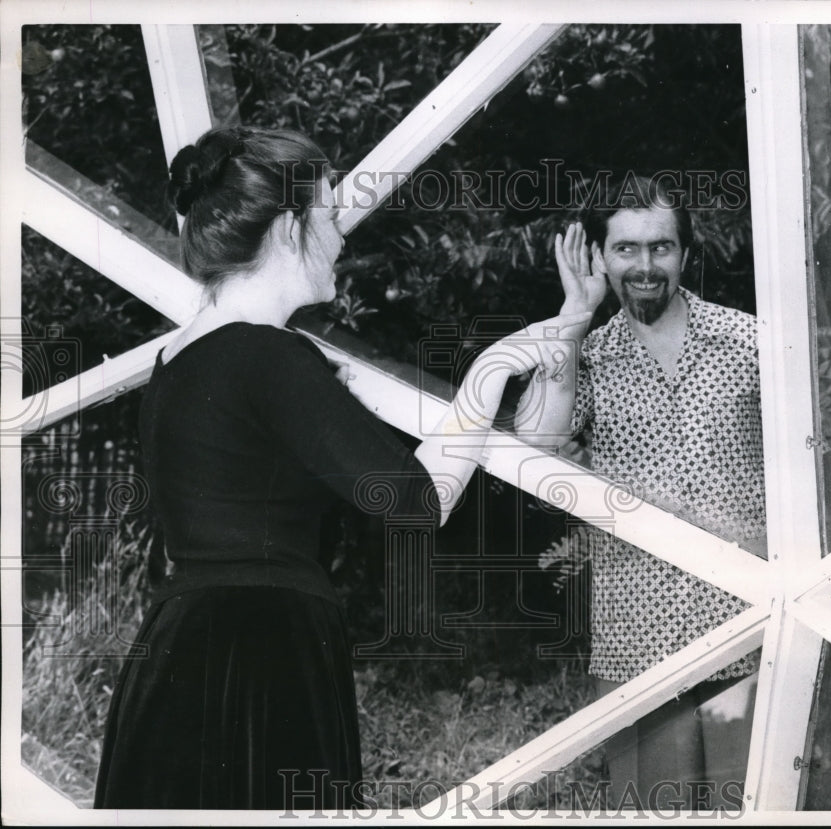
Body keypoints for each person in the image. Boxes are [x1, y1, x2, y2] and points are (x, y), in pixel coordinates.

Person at [93, 126, 585, 810]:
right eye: (328, 214)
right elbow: (415, 499)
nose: (341, 236)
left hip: (176, 654)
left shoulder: (175, 363)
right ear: (291, 227)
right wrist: (491, 368)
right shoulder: (271, 356)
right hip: (265, 654)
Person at [515, 175, 767, 811]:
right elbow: (533, 453)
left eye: (662, 247)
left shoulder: (751, 343)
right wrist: (573, 318)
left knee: (758, 807)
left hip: (748, 626)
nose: (646, 266)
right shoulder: (588, 355)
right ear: (600, 257)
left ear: (684, 253)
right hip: (637, 636)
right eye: (626, 248)